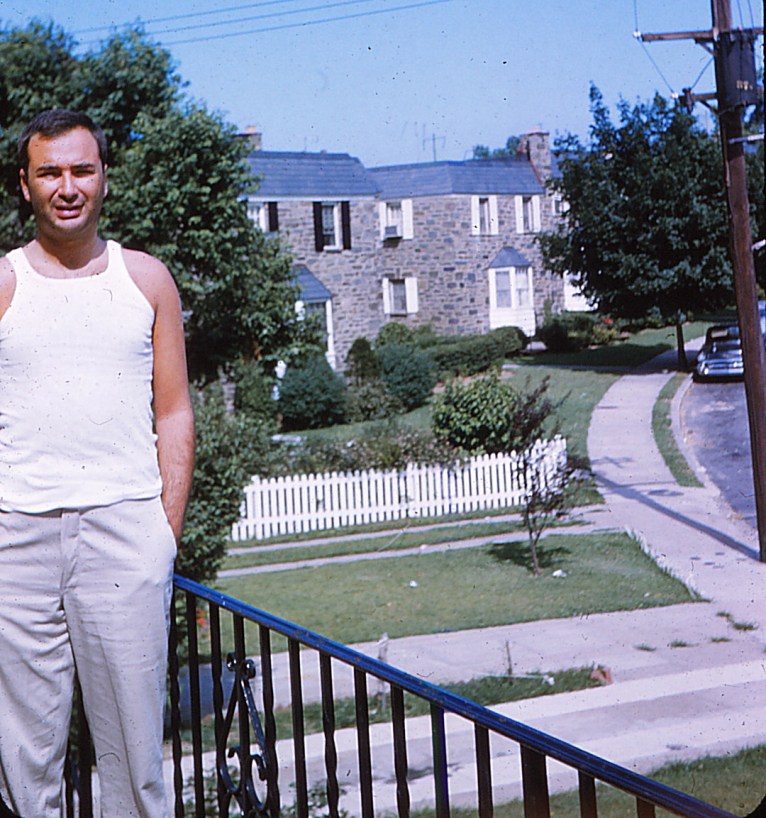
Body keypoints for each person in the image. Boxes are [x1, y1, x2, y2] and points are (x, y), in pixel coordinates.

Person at [0, 109, 195, 817]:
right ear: (25, 185)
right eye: (50, 172)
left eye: (82, 169)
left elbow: (173, 411)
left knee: (136, 759)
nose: (67, 186)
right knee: (25, 762)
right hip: (15, 539)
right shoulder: (5, 283)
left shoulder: (145, 281)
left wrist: (160, 534)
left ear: (104, 178)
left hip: (124, 532)